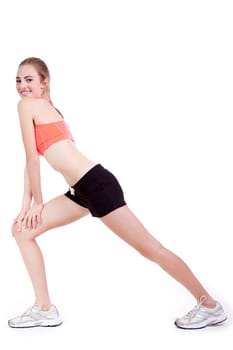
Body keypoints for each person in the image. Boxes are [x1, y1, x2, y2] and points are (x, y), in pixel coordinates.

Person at [8, 57, 227, 330]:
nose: (22, 86)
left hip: (96, 185)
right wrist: (25, 205)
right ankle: (44, 309)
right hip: (82, 190)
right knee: (22, 231)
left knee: (151, 248)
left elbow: (32, 158)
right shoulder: (48, 108)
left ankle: (209, 305)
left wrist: (38, 202)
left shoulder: (27, 106)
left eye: (29, 79)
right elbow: (30, 161)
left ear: (44, 82)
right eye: (18, 80)